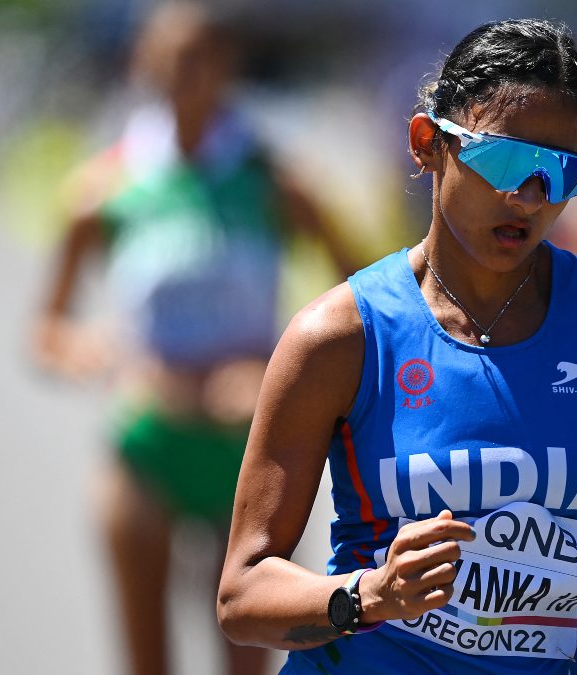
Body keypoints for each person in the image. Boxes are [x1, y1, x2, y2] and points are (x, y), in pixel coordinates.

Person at [217, 18, 577, 675]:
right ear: (427, 143)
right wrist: (367, 595)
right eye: (505, 159)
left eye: (561, 172)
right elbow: (242, 592)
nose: (528, 196)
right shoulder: (340, 336)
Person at [32, 3, 358, 674]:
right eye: (172, 58)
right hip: (149, 440)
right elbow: (48, 330)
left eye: (203, 57)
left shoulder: (272, 179)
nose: (187, 73)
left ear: (228, 65)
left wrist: (279, 373)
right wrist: (104, 356)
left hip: (249, 447)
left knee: (245, 654)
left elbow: (364, 297)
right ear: (142, 64)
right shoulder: (106, 185)